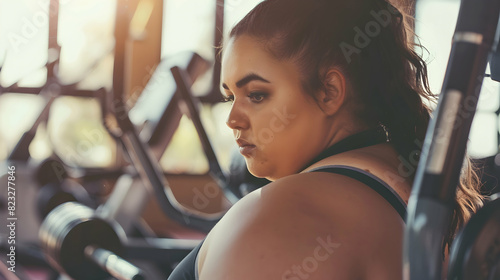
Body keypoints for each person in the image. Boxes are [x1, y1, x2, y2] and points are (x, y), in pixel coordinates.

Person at [168, 0, 484, 279]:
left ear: (329, 92)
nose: (232, 119)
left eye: (257, 95)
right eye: (230, 97)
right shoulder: (408, 194)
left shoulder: (283, 216)